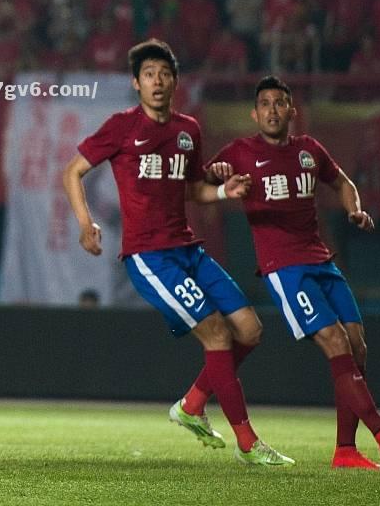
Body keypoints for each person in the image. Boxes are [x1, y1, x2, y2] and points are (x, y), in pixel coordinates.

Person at [62, 39, 294, 466]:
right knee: (218, 334)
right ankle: (248, 443)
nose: (157, 81)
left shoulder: (188, 130)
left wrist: (225, 189)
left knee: (250, 329)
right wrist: (84, 222)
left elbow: (191, 189)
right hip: (149, 257)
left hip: (188, 249)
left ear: (175, 83)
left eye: (165, 75)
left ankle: (192, 404)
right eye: (149, 74)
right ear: (136, 83)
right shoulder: (121, 127)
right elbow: (73, 171)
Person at [206, 75, 380, 470]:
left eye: (280, 103)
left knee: (357, 347)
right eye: (265, 103)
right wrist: (217, 177)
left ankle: (345, 451)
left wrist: (353, 207)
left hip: (321, 260)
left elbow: (341, 181)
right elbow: (201, 182)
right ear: (254, 114)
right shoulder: (239, 152)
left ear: (291, 110)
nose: (273, 109)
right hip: (284, 267)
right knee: (335, 340)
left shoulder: (309, 150)